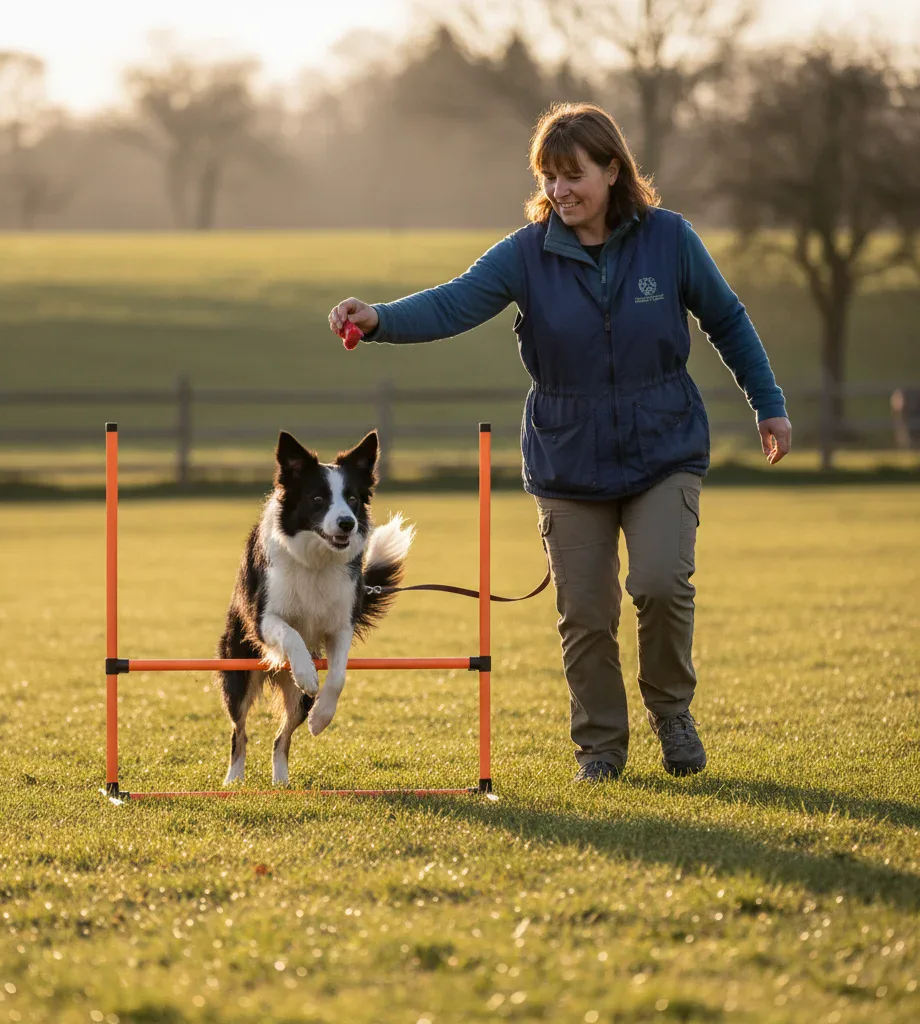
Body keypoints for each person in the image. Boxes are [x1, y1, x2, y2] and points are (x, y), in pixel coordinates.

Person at [327, 102, 792, 783]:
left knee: (661, 583)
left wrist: (768, 404)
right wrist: (379, 319)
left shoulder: (669, 239)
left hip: (663, 443)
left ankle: (670, 709)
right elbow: (455, 302)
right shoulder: (526, 252)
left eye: (573, 174)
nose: (560, 190)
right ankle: (601, 749)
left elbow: (726, 318)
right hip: (568, 455)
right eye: (548, 176)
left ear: (612, 170)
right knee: (585, 615)